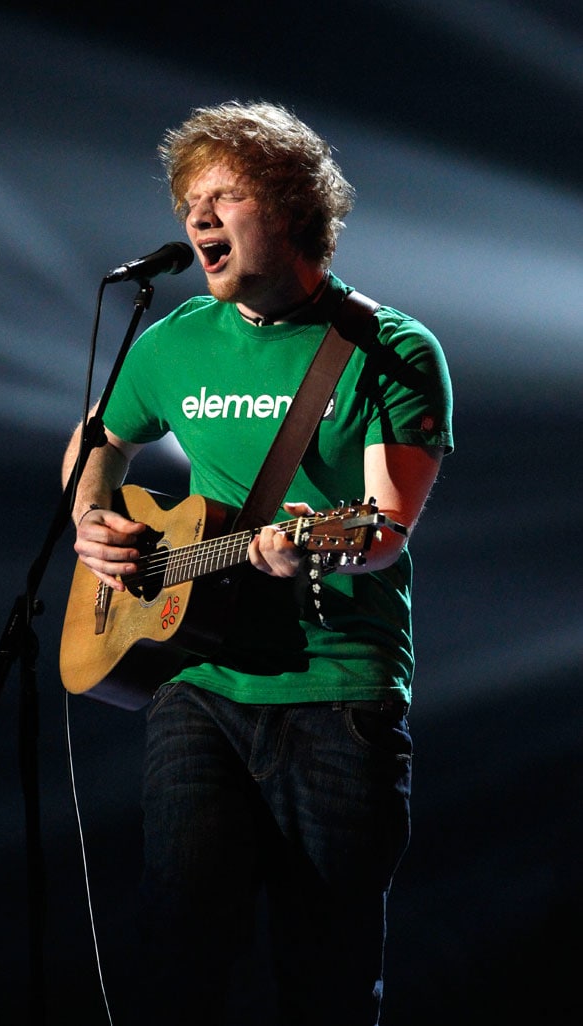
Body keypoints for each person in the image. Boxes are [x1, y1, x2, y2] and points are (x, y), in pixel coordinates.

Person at [62, 100, 453, 1025]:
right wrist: (91, 514)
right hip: (196, 679)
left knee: (324, 969)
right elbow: (99, 440)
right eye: (189, 199)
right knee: (180, 946)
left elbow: (384, 527)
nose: (197, 217)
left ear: (289, 206)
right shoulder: (175, 337)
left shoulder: (391, 351)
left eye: (225, 195)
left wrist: (303, 547)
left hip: (335, 691)